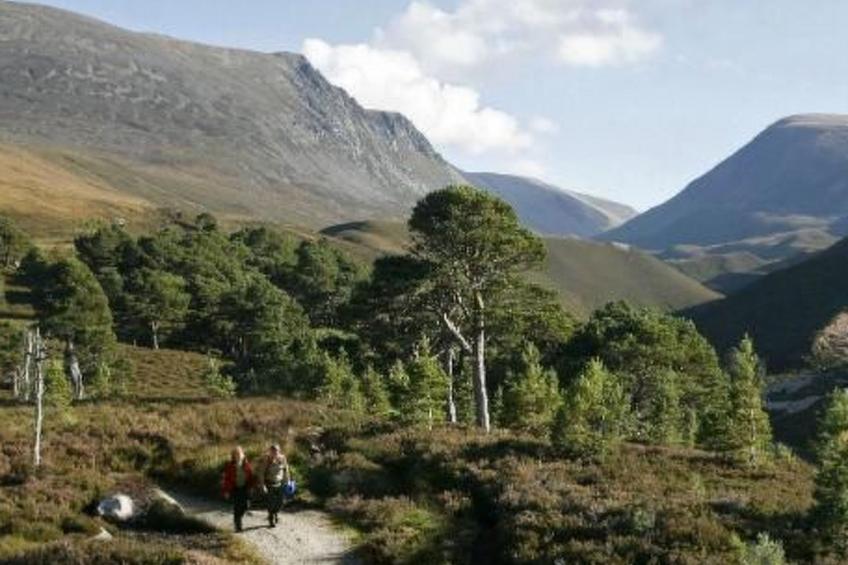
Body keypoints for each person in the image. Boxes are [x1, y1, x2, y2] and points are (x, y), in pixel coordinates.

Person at [221, 446, 254, 532]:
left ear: (243, 455)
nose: (238, 456)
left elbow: (251, 477)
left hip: (245, 488)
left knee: (246, 505)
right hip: (235, 488)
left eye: (240, 454)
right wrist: (226, 491)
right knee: (237, 507)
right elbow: (226, 479)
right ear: (234, 456)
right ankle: (238, 524)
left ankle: (238, 518)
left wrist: (251, 487)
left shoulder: (247, 464)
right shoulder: (230, 466)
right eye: (236, 454)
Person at [260, 443, 290, 528]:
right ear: (270, 452)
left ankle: (275, 512)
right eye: (272, 451)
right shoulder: (266, 460)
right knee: (271, 502)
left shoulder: (282, 458)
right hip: (269, 483)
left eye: (276, 451)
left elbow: (286, 470)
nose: (274, 453)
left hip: (280, 483)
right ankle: (271, 517)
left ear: (279, 451)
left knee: (281, 502)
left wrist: (288, 481)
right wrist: (263, 485)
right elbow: (261, 473)